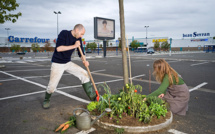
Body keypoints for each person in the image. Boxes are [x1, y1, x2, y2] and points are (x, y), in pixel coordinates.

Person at [42, 24, 96, 109]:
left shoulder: (78, 39)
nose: (82, 36)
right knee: (52, 87)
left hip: (67, 63)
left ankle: (92, 96)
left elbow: (81, 53)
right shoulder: (64, 33)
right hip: (57, 63)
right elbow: (59, 49)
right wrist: (74, 46)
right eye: (81, 34)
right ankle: (46, 99)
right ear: (76, 30)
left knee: (84, 74)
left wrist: (84, 60)